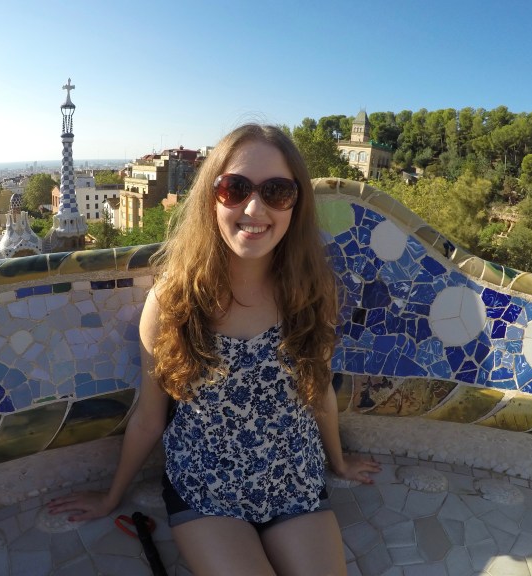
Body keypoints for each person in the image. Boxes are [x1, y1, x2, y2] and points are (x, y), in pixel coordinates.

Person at [48, 123, 380, 575]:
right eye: (235, 189)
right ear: (211, 198)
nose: (254, 208)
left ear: (296, 203)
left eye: (277, 192)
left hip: (295, 480)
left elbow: (318, 389)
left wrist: (337, 462)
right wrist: (112, 496)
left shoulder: (311, 293)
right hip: (207, 491)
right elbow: (150, 417)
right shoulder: (174, 302)